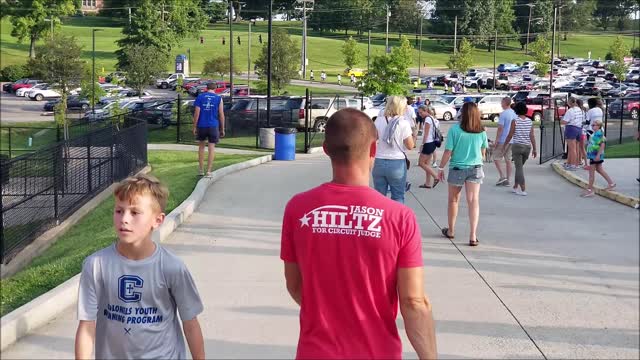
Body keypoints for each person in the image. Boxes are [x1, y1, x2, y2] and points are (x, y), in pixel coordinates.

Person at [280, 108, 437, 359]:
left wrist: (330, 312)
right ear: (373, 150)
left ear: (326, 149)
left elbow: (295, 285)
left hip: (316, 352)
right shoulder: (399, 217)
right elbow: (413, 302)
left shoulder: (297, 208)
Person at [75, 175, 205, 359]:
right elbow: (86, 325)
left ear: (157, 220)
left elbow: (190, 324)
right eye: (119, 211)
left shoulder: (172, 267)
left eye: (135, 213)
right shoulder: (96, 265)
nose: (124, 219)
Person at [437, 102, 488, 246]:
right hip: (475, 168)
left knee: (453, 200)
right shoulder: (482, 131)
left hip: (457, 168)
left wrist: (440, 168)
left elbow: (448, 152)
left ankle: (451, 230)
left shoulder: (455, 130)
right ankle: (473, 235)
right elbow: (483, 153)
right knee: (473, 201)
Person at [372, 96, 416, 203]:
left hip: (379, 160)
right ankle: (396, 219)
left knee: (379, 197)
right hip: (397, 162)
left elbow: (372, 139)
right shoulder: (403, 123)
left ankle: (380, 219)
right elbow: (410, 146)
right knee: (398, 196)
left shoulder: (378, 120)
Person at [504, 102, 537, 196]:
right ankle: (515, 186)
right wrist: (535, 149)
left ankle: (523, 189)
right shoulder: (530, 121)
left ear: (516, 110)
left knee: (519, 168)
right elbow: (532, 136)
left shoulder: (515, 121)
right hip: (527, 147)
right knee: (520, 168)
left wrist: (504, 145)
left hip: (517, 146)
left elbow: (510, 135)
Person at [193, 82, 225, 177]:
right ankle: (209, 171)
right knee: (211, 148)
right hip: (213, 126)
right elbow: (221, 114)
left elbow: (197, 113)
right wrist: (222, 128)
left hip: (202, 125)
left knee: (201, 147)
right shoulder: (219, 98)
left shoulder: (200, 97)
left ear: (206, 88)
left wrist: (194, 126)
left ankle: (201, 170)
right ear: (215, 89)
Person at [581, 119, 616, 197]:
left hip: (595, 156)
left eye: (594, 125)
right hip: (594, 155)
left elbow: (602, 145)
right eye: (592, 125)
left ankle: (590, 190)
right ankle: (611, 183)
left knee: (591, 173)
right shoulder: (596, 133)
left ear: (599, 126)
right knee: (600, 170)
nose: (592, 126)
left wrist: (598, 156)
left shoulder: (598, 134)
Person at [493, 97, 516, 186]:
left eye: (502, 103)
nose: (501, 105)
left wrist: (497, 140)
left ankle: (502, 176)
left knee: (496, 157)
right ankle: (508, 179)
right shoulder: (514, 113)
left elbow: (500, 128)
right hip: (512, 139)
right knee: (508, 159)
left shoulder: (503, 114)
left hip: (503, 139)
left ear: (505, 103)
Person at [418, 105, 440, 189]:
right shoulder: (432, 118)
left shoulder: (427, 119)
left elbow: (426, 134)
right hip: (433, 143)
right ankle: (427, 183)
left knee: (421, 163)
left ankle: (436, 176)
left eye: (421, 112)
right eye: (419, 113)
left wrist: (422, 145)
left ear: (426, 111)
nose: (420, 114)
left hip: (428, 143)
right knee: (427, 164)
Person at [561, 97, 584, 171]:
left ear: (570, 102)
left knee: (572, 148)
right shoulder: (579, 109)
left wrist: (562, 119)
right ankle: (573, 163)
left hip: (571, 129)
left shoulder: (570, 111)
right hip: (579, 129)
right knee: (575, 148)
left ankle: (573, 165)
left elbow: (564, 121)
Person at [584, 97, 604, 169]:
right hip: (600, 129)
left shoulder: (590, 111)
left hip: (591, 130)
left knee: (592, 147)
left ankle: (592, 163)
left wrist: (584, 127)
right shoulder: (600, 110)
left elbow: (587, 121)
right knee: (598, 146)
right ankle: (598, 162)